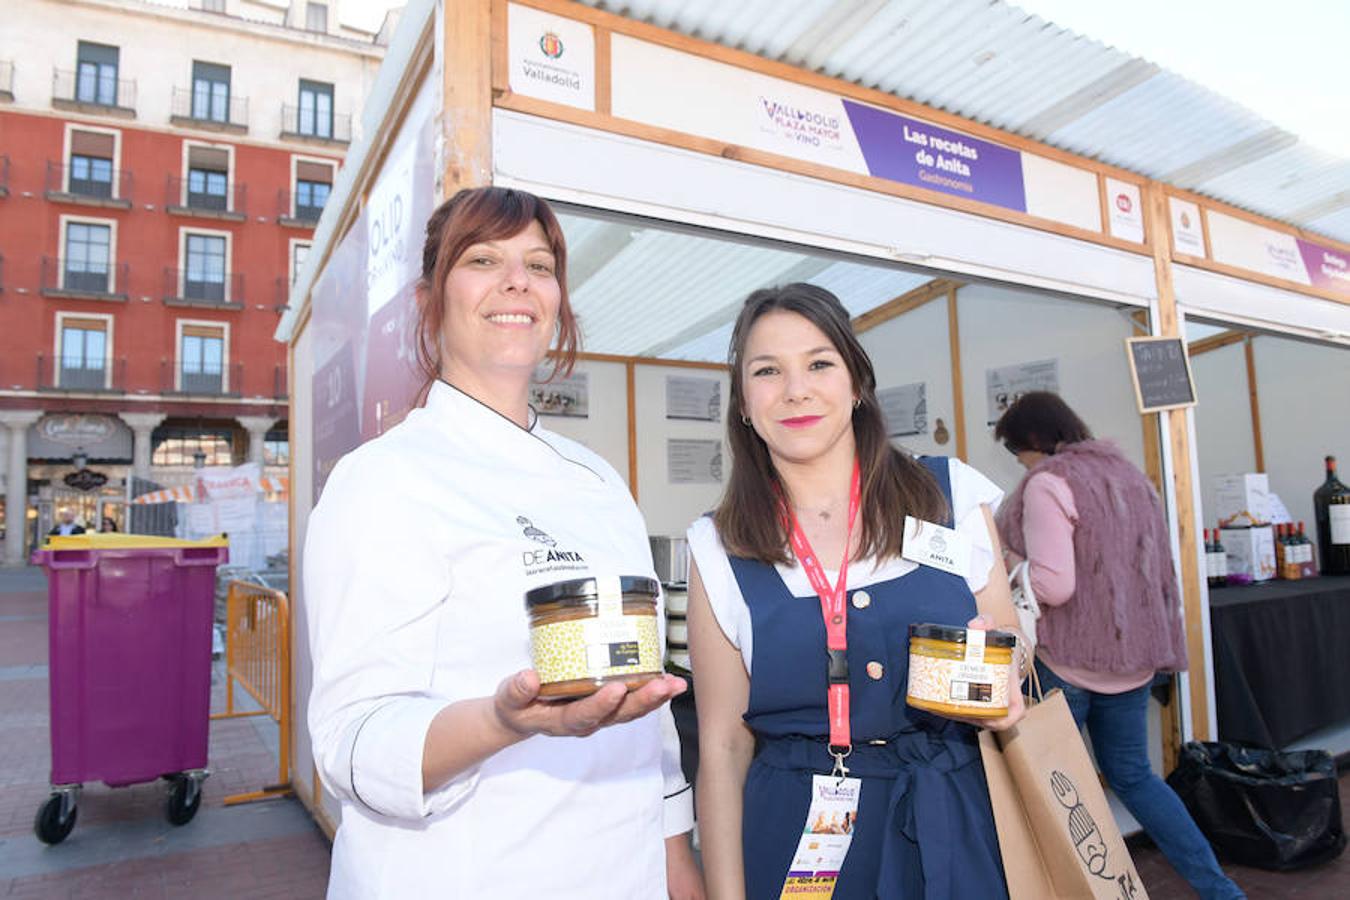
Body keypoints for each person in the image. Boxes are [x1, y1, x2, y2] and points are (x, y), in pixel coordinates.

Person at [305, 187, 702, 900]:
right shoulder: (384, 481)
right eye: (484, 259)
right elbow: (350, 744)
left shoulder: (600, 480)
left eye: (539, 265)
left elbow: (646, 701)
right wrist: (499, 720)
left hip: (624, 870)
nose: (517, 281)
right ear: (431, 298)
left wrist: (677, 859)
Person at [687, 283, 1027, 899]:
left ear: (857, 383)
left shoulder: (949, 496)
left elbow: (1013, 650)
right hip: (795, 838)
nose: (796, 390)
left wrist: (1007, 679)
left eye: (819, 363)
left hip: (956, 822)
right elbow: (723, 745)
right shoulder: (719, 546)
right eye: (767, 371)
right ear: (742, 402)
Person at [994, 391, 1244, 900]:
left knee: (1059, 786)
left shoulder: (1048, 483)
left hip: (1067, 661)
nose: (1018, 460)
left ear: (1034, 441)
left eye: (1016, 450)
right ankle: (1219, 890)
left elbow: (1054, 585)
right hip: (1131, 659)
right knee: (1136, 777)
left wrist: (1008, 557)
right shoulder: (1130, 476)